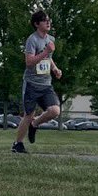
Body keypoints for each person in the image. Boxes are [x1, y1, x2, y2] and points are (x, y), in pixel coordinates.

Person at [12, 9, 62, 154]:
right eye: (45, 20)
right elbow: (29, 62)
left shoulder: (50, 39)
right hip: (32, 84)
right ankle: (18, 144)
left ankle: (35, 124)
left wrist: (55, 69)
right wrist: (45, 51)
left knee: (54, 111)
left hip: (46, 84)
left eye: (49, 20)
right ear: (36, 24)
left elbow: (49, 58)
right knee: (28, 114)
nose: (48, 22)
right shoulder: (32, 40)